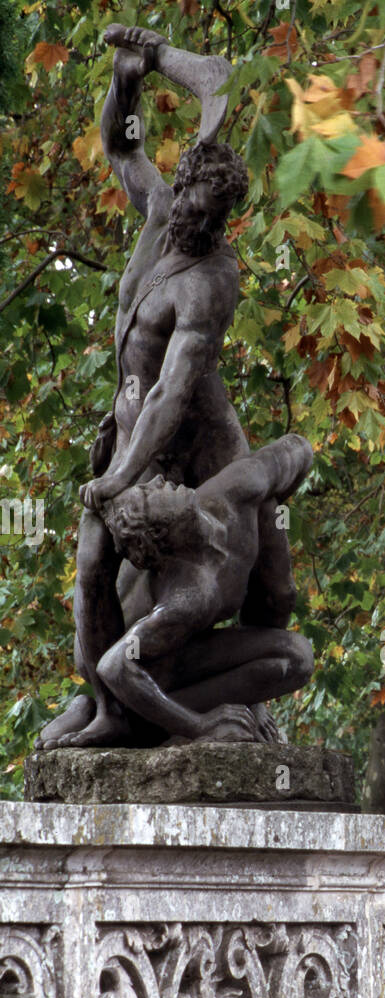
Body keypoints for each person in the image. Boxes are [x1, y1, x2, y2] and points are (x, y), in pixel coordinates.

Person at [37, 25, 297, 749]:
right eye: (190, 209)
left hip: (186, 443)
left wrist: (121, 477)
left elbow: (172, 392)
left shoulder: (213, 282)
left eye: (213, 221)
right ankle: (105, 703)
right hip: (128, 433)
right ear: (177, 191)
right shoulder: (157, 215)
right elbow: (123, 147)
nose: (196, 224)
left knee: (251, 584)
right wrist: (130, 78)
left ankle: (209, 694)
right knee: (93, 566)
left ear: (226, 222)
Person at [87, 434, 314, 744]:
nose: (156, 484)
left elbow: (298, 447)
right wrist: (199, 725)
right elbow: (113, 666)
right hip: (155, 672)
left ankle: (144, 718)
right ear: (157, 531)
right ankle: (140, 720)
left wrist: (272, 510)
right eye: (147, 495)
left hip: (187, 654)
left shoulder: (236, 490)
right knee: (296, 658)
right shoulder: (189, 596)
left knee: (290, 634)